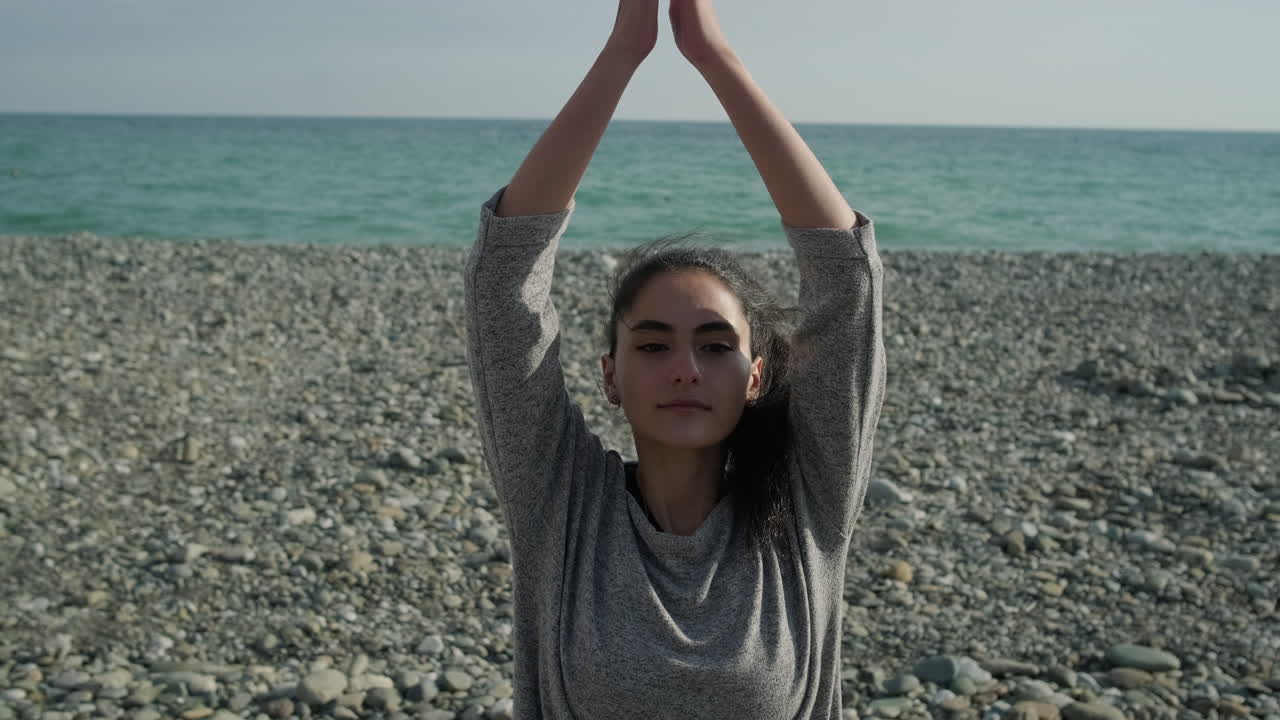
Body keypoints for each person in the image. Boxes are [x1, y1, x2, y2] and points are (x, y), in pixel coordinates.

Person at [462, 0, 886, 717]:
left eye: (716, 346)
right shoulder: (562, 506)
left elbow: (848, 277)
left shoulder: (807, 505)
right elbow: (504, 277)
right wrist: (626, 48)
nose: (685, 368)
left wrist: (712, 53)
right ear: (610, 377)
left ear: (756, 379)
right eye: (653, 345)